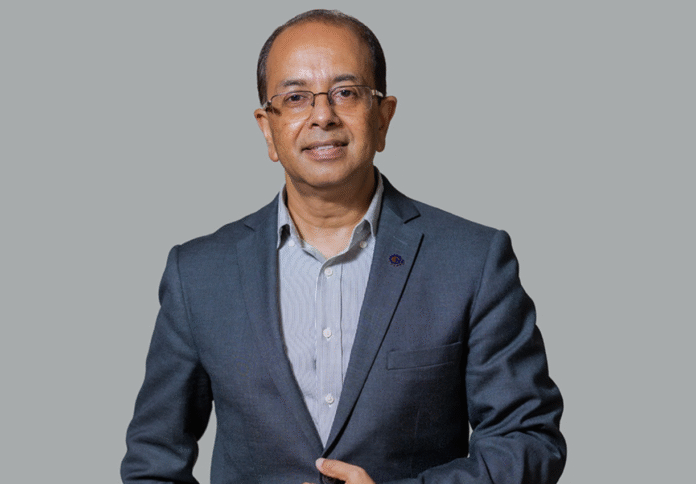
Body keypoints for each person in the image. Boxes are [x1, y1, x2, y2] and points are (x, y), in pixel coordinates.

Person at [121, 9, 566, 484]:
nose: (322, 116)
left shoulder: (472, 261)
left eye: (346, 93)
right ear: (267, 129)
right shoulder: (198, 274)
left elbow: (528, 439)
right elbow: (154, 462)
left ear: (383, 117)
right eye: (295, 97)